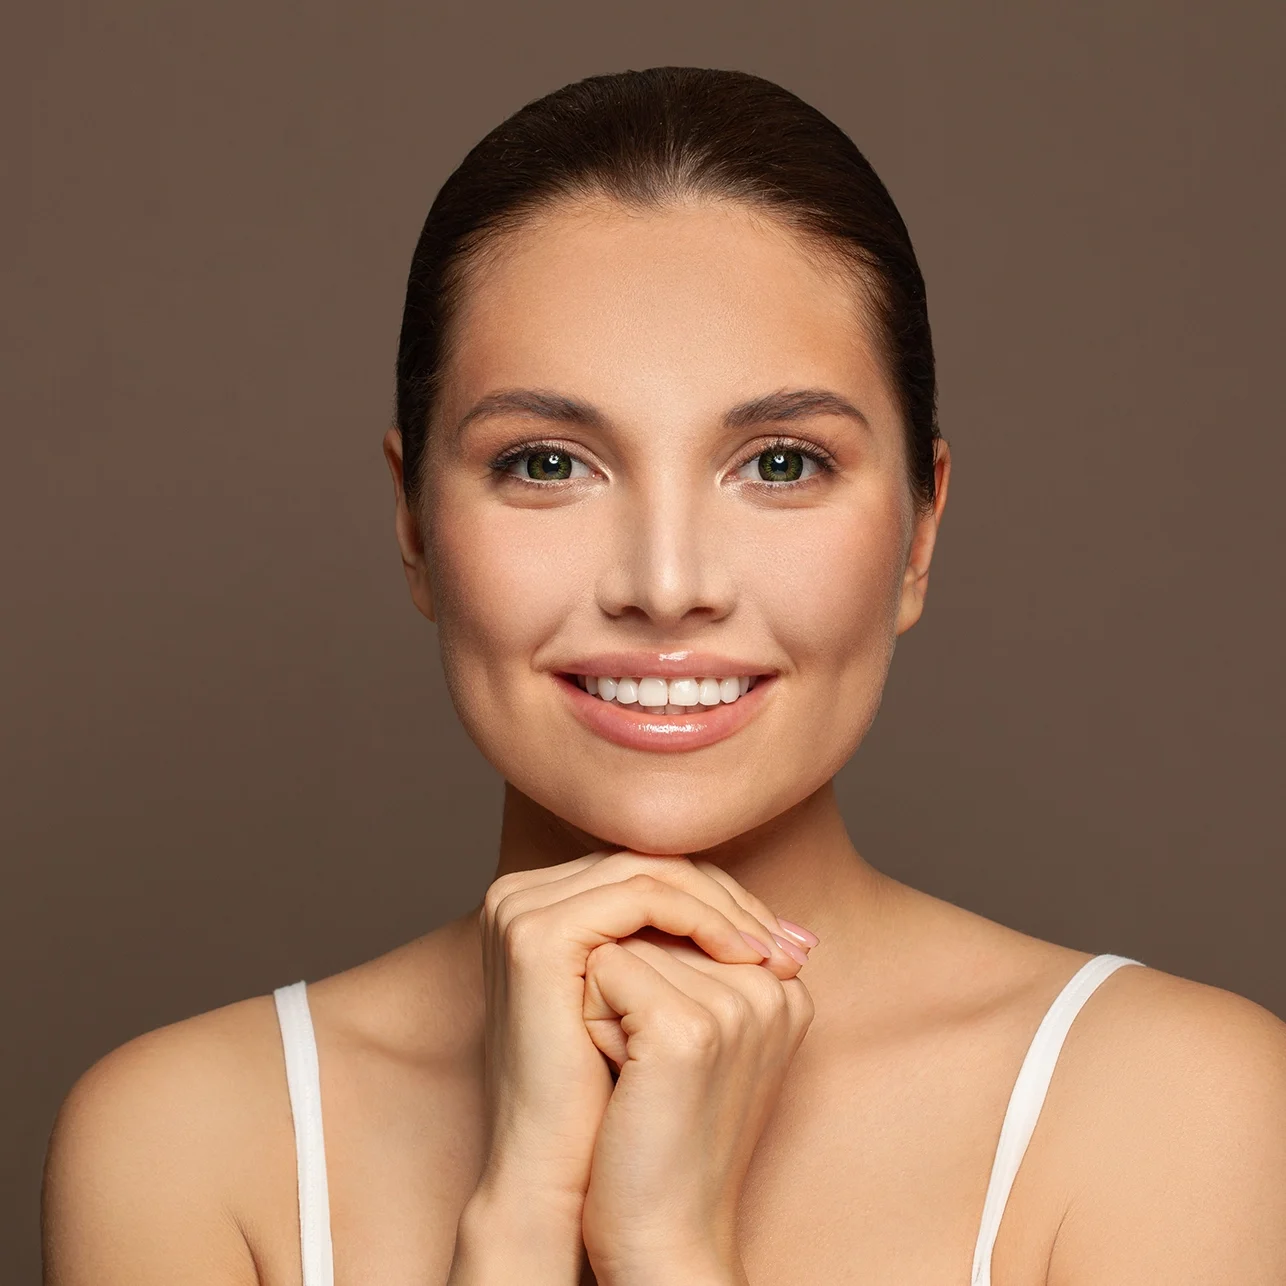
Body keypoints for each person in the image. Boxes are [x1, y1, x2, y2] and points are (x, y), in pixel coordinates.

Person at [42, 66, 1286, 1286]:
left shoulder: (1173, 1108)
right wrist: (521, 1212)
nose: (667, 580)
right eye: (545, 462)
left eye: (781, 463)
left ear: (917, 534)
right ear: (415, 525)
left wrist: (666, 1251)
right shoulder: (186, 1143)